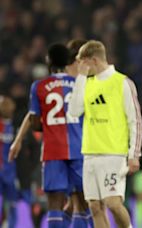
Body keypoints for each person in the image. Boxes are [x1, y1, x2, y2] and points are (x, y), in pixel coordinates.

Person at [8, 40, 91, 228]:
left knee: (55, 203)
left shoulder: (39, 86)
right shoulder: (80, 84)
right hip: (79, 149)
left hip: (53, 151)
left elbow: (35, 121)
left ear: (48, 60)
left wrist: (42, 126)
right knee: (82, 202)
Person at [68, 40, 142, 228]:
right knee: (94, 206)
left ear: (93, 60)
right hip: (90, 152)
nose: (79, 67)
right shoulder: (85, 82)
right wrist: (81, 78)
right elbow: (74, 111)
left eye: (82, 63)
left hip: (113, 154)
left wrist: (134, 154)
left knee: (113, 203)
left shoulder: (122, 82)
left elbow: (135, 120)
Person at [0, 96, 18, 228]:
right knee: (9, 202)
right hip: (7, 170)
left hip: (10, 171)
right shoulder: (13, 127)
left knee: (11, 203)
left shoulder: (15, 126)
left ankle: (10, 224)